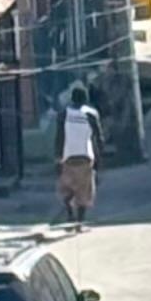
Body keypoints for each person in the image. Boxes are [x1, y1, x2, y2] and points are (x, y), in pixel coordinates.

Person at [56, 85, 99, 230]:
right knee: (84, 192)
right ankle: (79, 223)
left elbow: (59, 136)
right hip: (85, 157)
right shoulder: (91, 114)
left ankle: (69, 212)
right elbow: (98, 138)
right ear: (86, 99)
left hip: (68, 157)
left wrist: (58, 156)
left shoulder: (63, 114)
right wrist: (99, 159)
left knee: (67, 188)